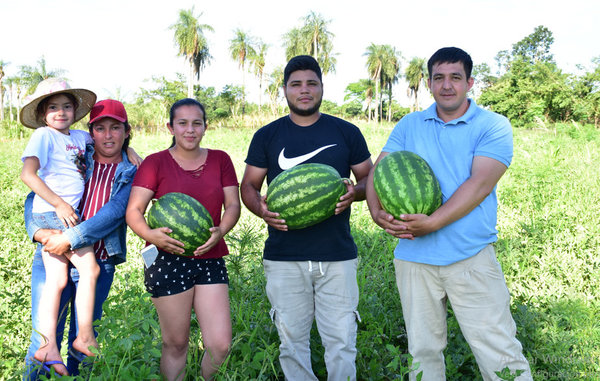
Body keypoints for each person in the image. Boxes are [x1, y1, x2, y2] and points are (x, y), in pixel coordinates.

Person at [366, 47, 532, 381]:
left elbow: (479, 184)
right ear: (428, 83)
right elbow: (379, 172)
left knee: (498, 350)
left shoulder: (493, 125)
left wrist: (433, 222)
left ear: (470, 82)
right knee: (423, 352)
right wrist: (376, 212)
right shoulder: (410, 124)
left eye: (455, 77)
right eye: (439, 77)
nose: (446, 85)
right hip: (414, 259)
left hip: (470, 257)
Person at [240, 55, 373, 381]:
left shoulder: (346, 131)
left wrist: (352, 193)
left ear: (322, 88)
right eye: (296, 84)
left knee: (342, 342)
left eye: (311, 83)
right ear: (284, 89)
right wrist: (263, 210)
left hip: (337, 255)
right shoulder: (268, 135)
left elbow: (370, 180)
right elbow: (248, 187)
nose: (304, 90)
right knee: (292, 344)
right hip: (284, 257)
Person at [126, 98, 240, 381]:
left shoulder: (220, 159)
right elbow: (134, 211)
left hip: (210, 256)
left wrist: (221, 231)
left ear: (205, 126)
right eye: (183, 123)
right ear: (171, 127)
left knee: (220, 344)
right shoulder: (155, 163)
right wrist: (151, 236)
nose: (190, 130)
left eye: (196, 123)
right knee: (175, 343)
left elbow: (233, 206)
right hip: (166, 259)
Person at [23, 98, 138, 379]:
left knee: (83, 339)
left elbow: (113, 213)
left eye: (116, 128)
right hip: (51, 244)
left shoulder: (132, 170)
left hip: (97, 255)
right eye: (100, 128)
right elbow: (33, 196)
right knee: (43, 336)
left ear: (126, 131)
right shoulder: (78, 152)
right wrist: (36, 231)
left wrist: (69, 239)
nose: (108, 135)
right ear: (91, 131)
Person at [19, 78, 102, 376]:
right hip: (54, 215)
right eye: (53, 107)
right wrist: (59, 204)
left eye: (67, 106)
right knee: (90, 270)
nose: (61, 112)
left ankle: (47, 346)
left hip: (57, 215)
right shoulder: (44, 135)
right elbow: (28, 174)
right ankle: (84, 336)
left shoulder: (80, 137)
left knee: (57, 281)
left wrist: (131, 153)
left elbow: (110, 144)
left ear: (75, 110)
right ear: (43, 114)